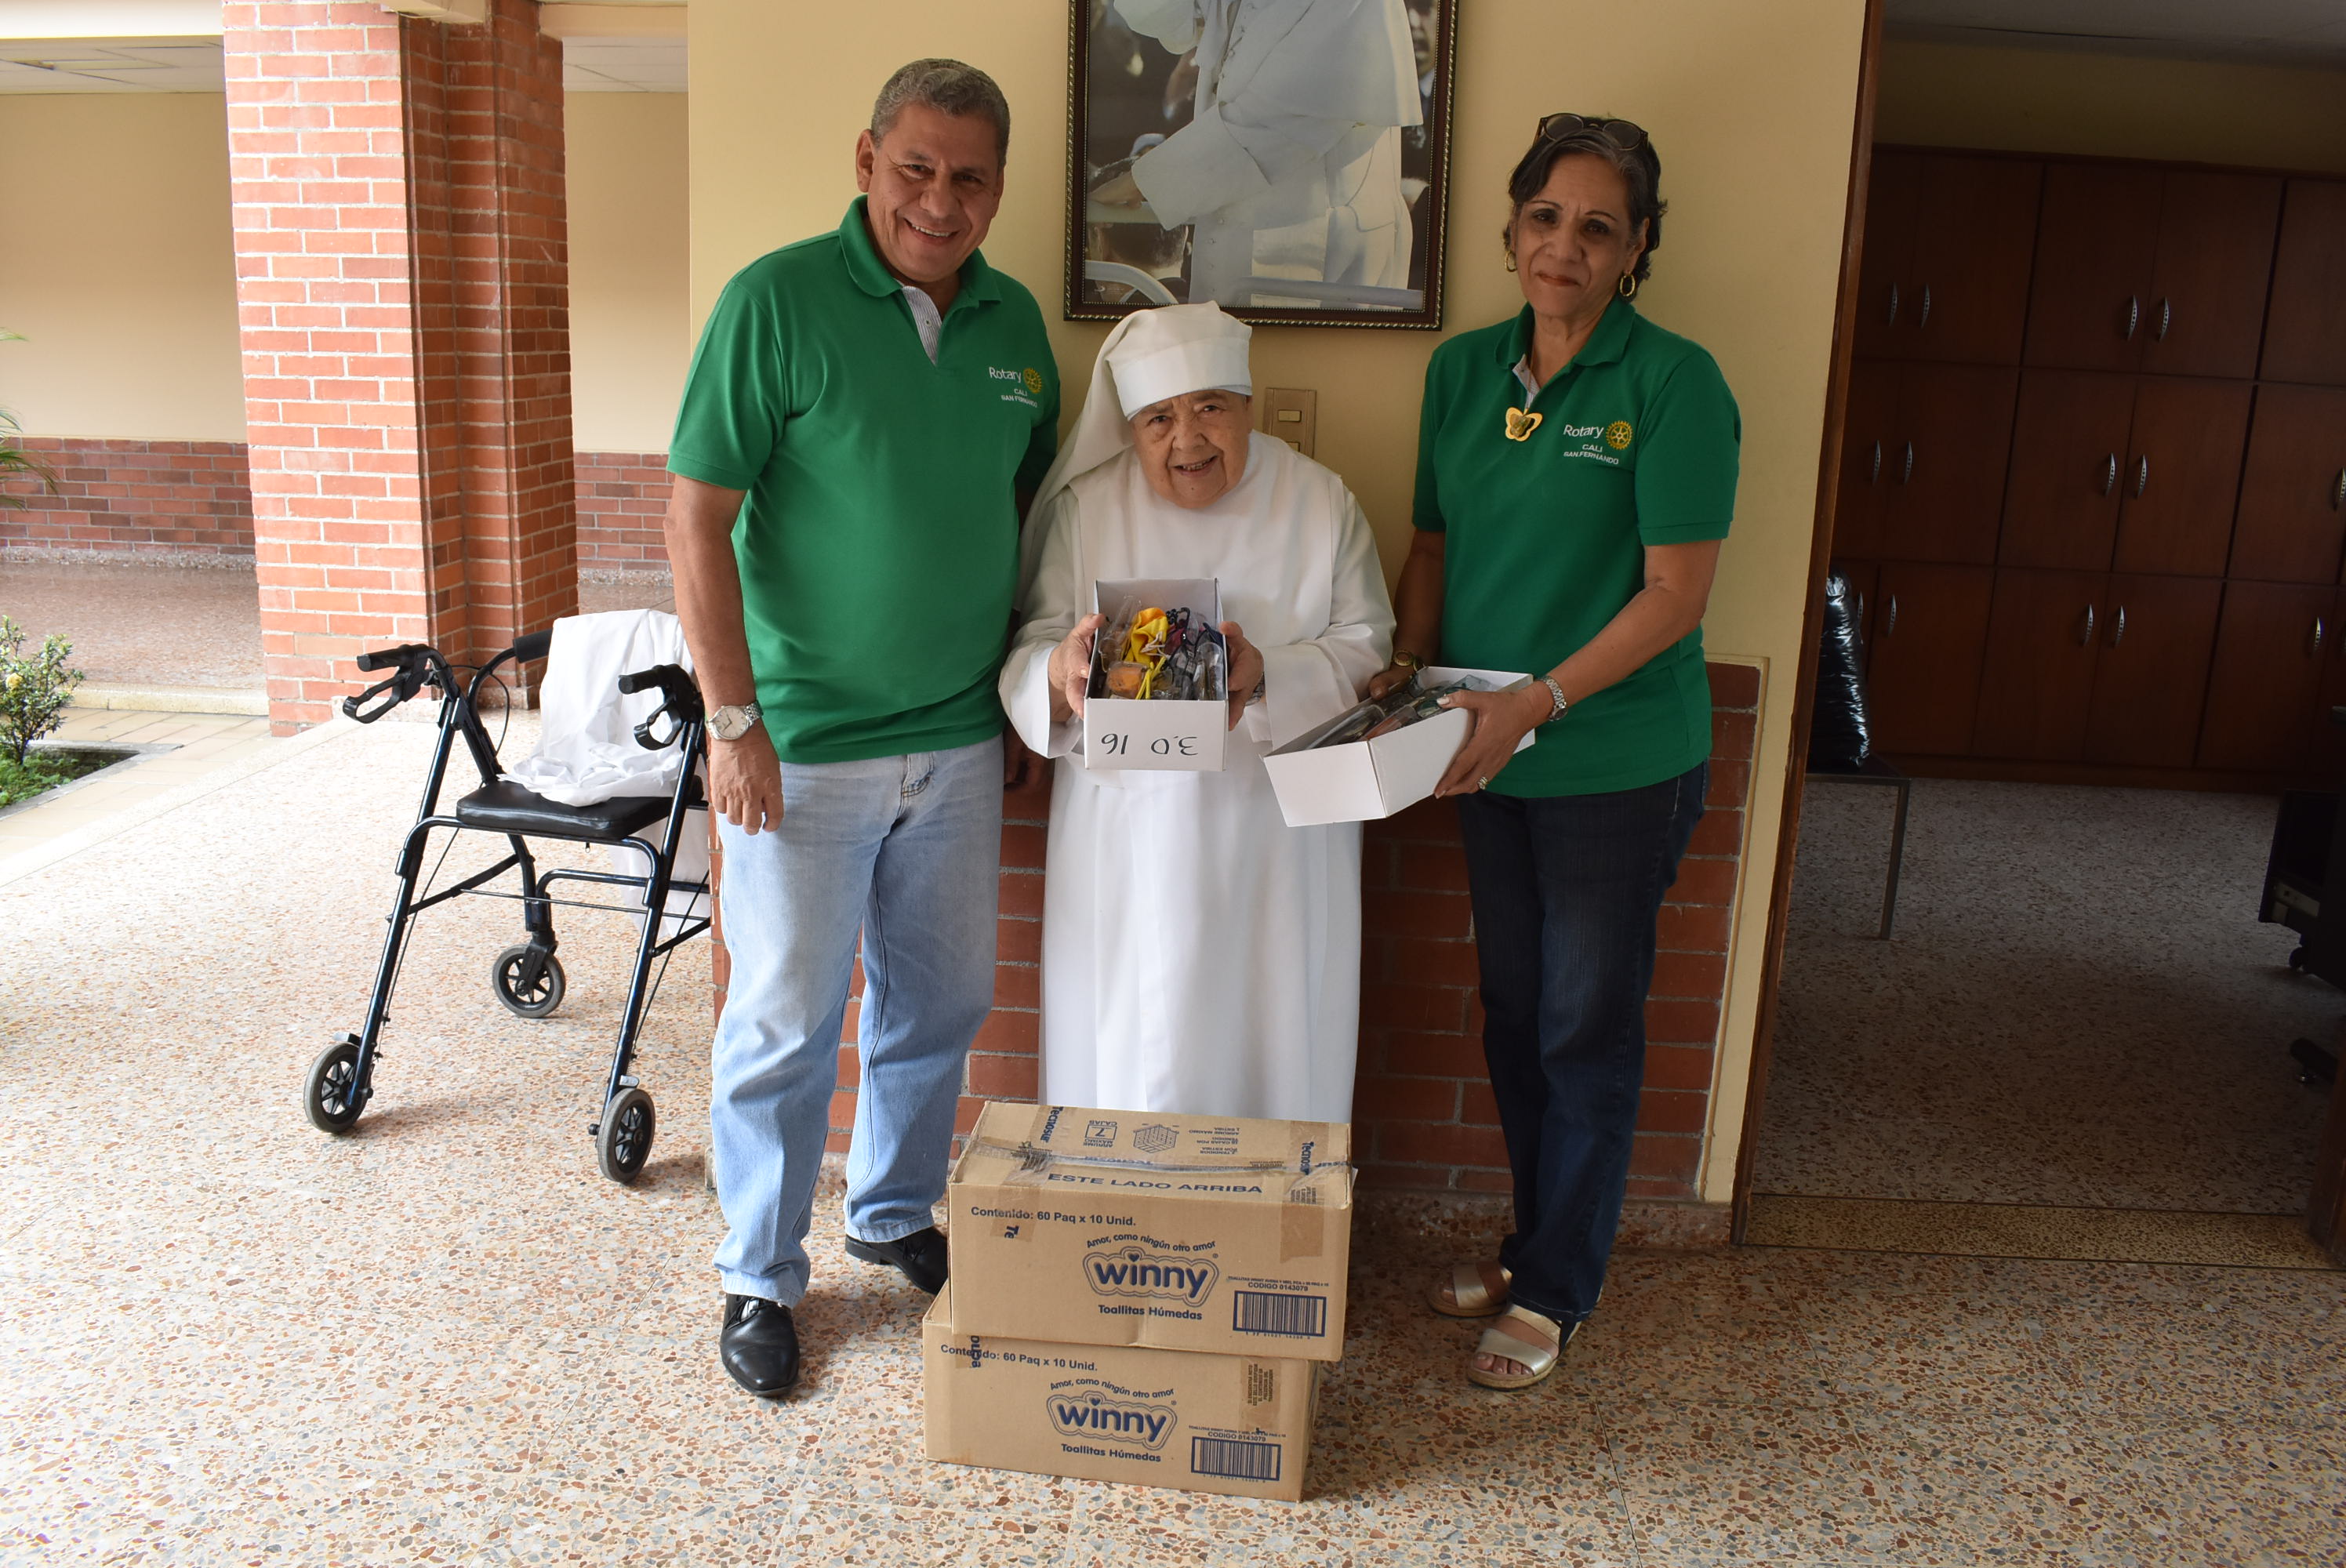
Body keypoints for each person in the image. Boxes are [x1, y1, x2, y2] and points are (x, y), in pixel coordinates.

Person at [660, 60, 1059, 1399]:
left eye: (969, 178)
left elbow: (1014, 516)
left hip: (954, 740)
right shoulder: (774, 302)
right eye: (915, 170)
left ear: (1000, 187)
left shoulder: (1014, 328)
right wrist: (732, 719)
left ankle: (887, 1215)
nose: (939, 203)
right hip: (803, 744)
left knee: (938, 998)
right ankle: (757, 1274)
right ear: (866, 159)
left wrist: (1009, 693)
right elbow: (694, 520)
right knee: (784, 1016)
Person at [1375, 114, 1738, 1390]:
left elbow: (1672, 598)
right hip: (1487, 757)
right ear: (1510, 231)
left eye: (1597, 227)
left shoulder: (1672, 383)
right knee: (1517, 1012)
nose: (1563, 247)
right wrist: (1400, 683)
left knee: (1584, 1027)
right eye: (1544, 219)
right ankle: (1536, 1245)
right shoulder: (1462, 373)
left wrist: (1537, 701)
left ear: (1637, 248)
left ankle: (1560, 1286)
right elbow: (1432, 552)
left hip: (1615, 766)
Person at [1000, 301, 1393, 1121]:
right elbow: (1034, 640)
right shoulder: (1087, 507)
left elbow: (1366, 649)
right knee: (1123, 1062)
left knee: (1272, 1053)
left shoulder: (1318, 501)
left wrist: (1267, 673)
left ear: (1248, 405)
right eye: (1158, 418)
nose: (1188, 439)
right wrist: (1060, 669)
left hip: (1274, 848)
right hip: (1123, 838)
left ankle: (1269, 1238)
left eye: (1211, 407)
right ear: (1131, 426)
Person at [1091, 0, 1422, 308]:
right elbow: (1164, 15)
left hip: (1319, 247)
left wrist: (1142, 181)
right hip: (1234, 234)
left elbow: (1283, 122)